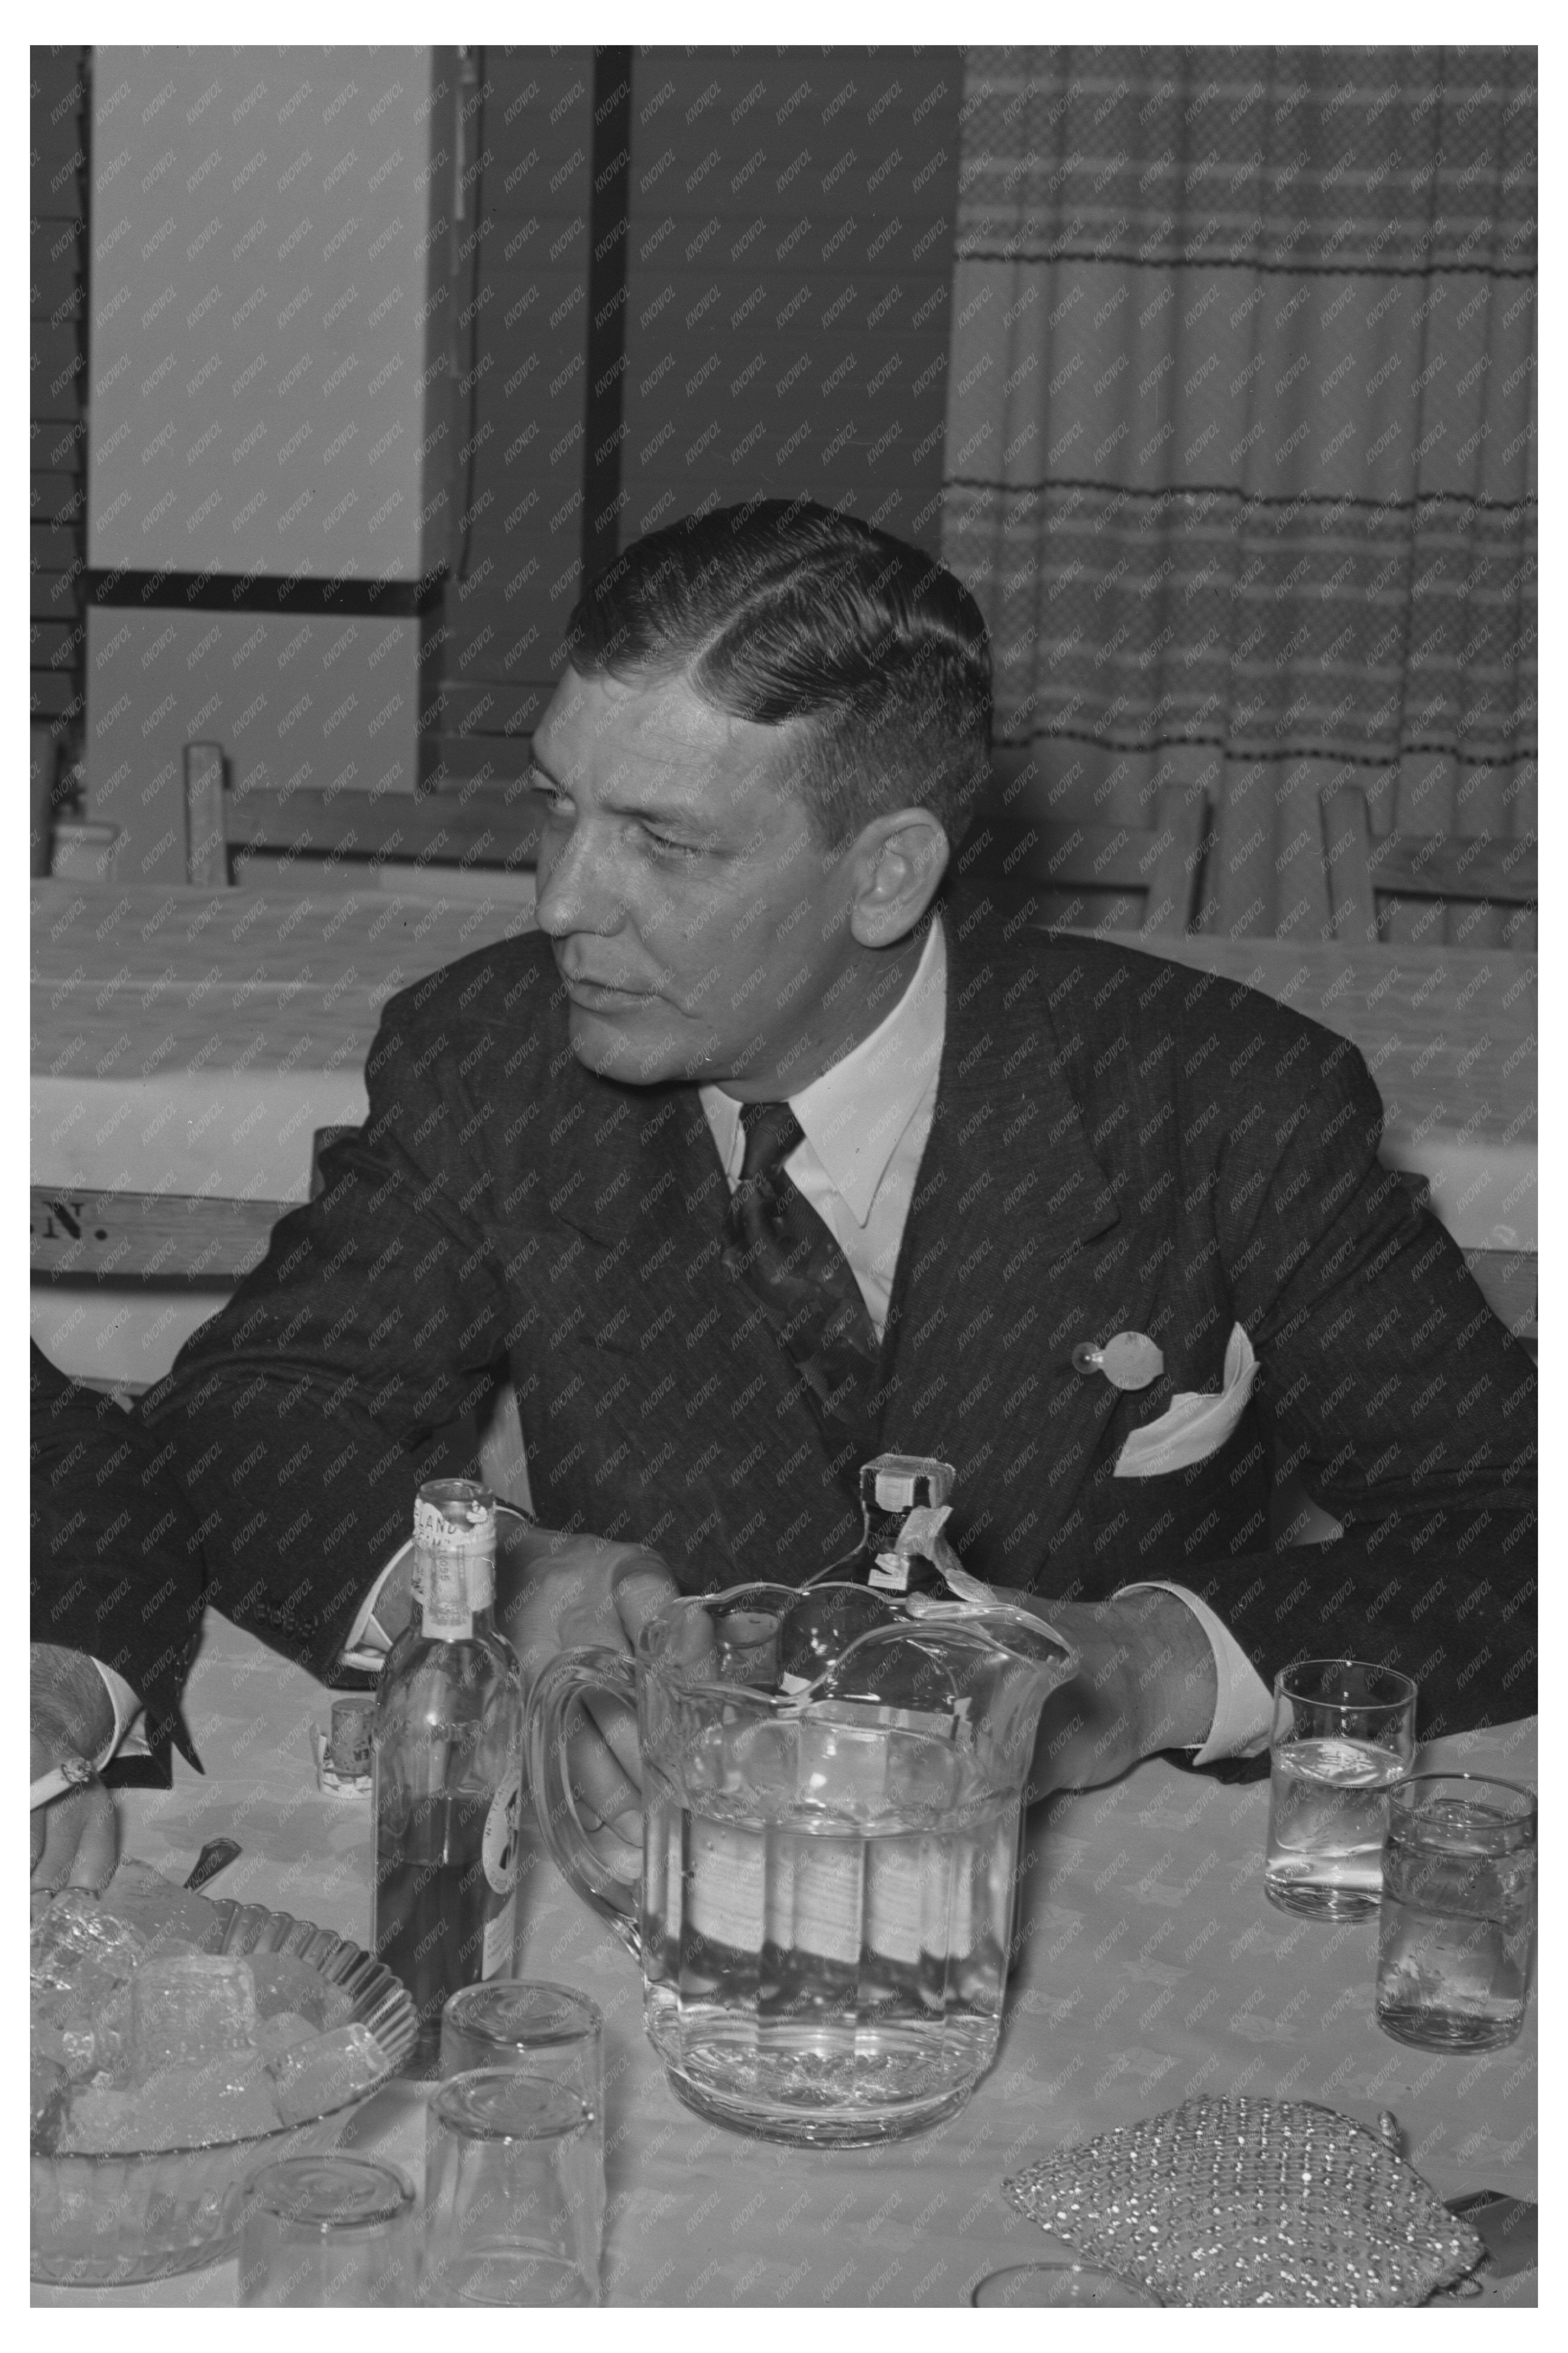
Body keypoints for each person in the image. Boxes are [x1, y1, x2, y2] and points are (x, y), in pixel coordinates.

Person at [31, 499, 1536, 1889]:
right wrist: (510, 1582)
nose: (562, 899)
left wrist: (1149, 1662)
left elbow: (1510, 1523)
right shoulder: (489, 1055)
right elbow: (247, 1419)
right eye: (558, 807)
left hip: (1085, 1891)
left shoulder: (1215, 1100)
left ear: (883, 876)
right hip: (652, 1878)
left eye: (663, 844)